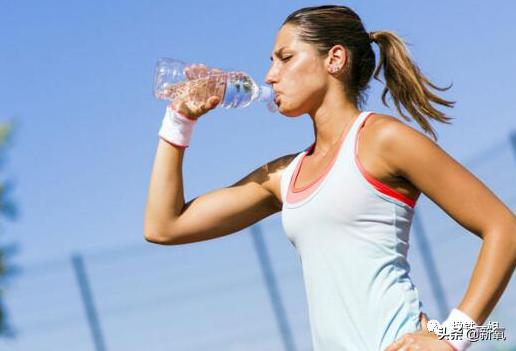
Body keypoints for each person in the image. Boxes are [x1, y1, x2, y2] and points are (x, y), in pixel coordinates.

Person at [144, 5, 516, 351]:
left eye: (285, 58)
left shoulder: (383, 139)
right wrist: (180, 118)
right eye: (271, 62)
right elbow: (165, 226)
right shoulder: (284, 176)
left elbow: (505, 228)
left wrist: (452, 337)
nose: (271, 75)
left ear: (334, 59)